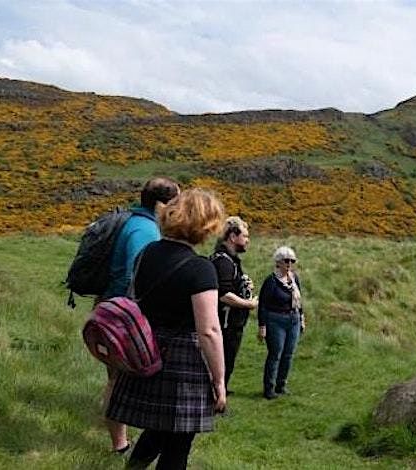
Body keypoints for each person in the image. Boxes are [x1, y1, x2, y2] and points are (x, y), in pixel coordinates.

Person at [106, 188, 228, 470]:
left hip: (147, 350)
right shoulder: (201, 268)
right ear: (205, 225)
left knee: (159, 430)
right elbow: (209, 330)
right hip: (183, 361)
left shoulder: (147, 254)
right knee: (178, 445)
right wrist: (220, 381)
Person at [100, 177, 179, 454]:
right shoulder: (145, 230)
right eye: (174, 204)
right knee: (118, 380)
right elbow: (140, 274)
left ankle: (123, 438)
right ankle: (120, 444)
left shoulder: (135, 221)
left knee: (118, 378)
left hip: (113, 308)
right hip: (124, 315)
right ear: (160, 205)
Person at [210, 216, 259, 395]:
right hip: (225, 325)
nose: (247, 240)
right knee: (221, 362)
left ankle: (221, 392)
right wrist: (248, 303)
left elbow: (230, 287)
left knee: (227, 362)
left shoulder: (229, 260)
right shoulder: (223, 261)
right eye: (244, 236)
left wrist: (244, 285)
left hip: (231, 324)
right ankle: (216, 398)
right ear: (232, 237)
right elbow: (223, 295)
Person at [257, 246, 306, 400]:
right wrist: (262, 326)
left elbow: (299, 300)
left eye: (292, 260)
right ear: (278, 262)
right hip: (276, 320)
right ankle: (269, 388)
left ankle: (281, 385)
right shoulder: (271, 281)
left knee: (288, 354)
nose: (289, 264)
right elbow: (263, 305)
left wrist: (302, 318)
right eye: (286, 260)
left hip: (294, 319)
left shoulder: (294, 278)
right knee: (275, 354)